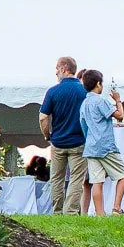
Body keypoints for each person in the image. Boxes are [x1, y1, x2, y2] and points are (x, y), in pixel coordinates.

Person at [39, 58, 89, 214]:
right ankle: (71, 212)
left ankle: (58, 211)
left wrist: (47, 135)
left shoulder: (53, 91)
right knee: (76, 179)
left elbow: (43, 117)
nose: (55, 72)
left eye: (56, 68)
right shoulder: (84, 91)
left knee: (57, 178)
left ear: (64, 69)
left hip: (58, 143)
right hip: (79, 142)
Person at [78, 69, 124, 215]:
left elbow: (84, 125)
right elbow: (119, 116)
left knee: (96, 181)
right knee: (123, 175)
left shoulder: (84, 103)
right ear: (98, 84)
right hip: (105, 146)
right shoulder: (101, 101)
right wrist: (117, 100)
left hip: (91, 147)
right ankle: (116, 208)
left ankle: (100, 214)